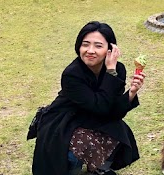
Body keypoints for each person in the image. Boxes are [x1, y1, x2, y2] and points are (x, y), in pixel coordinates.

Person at [30, 21, 147, 175]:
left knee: (119, 131)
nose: (90, 50)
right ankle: (72, 171)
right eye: (85, 44)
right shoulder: (72, 74)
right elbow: (100, 107)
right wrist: (110, 73)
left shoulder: (119, 68)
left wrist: (131, 93)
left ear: (110, 49)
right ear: (79, 47)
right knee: (79, 143)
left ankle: (99, 169)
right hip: (65, 119)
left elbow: (113, 112)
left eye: (98, 46)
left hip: (92, 116)